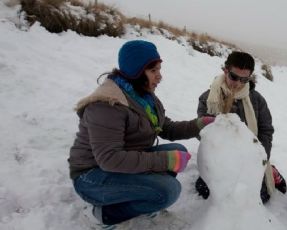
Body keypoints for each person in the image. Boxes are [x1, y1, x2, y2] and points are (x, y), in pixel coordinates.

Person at [68, 40, 214, 227]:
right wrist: (165, 160)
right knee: (168, 191)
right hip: (91, 176)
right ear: (136, 72)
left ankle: (143, 204)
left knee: (177, 149)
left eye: (159, 69)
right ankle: (101, 215)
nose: (159, 76)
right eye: (153, 71)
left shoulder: (141, 95)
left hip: (116, 165)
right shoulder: (107, 104)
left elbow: (165, 128)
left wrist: (199, 124)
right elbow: (110, 158)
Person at [195, 51, 286, 203]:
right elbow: (201, 132)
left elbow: (266, 131)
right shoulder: (208, 98)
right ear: (225, 70)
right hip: (221, 157)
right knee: (207, 192)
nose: (238, 83)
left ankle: (271, 170)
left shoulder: (257, 100)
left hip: (250, 158)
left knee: (259, 197)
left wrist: (261, 158)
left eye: (244, 79)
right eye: (233, 77)